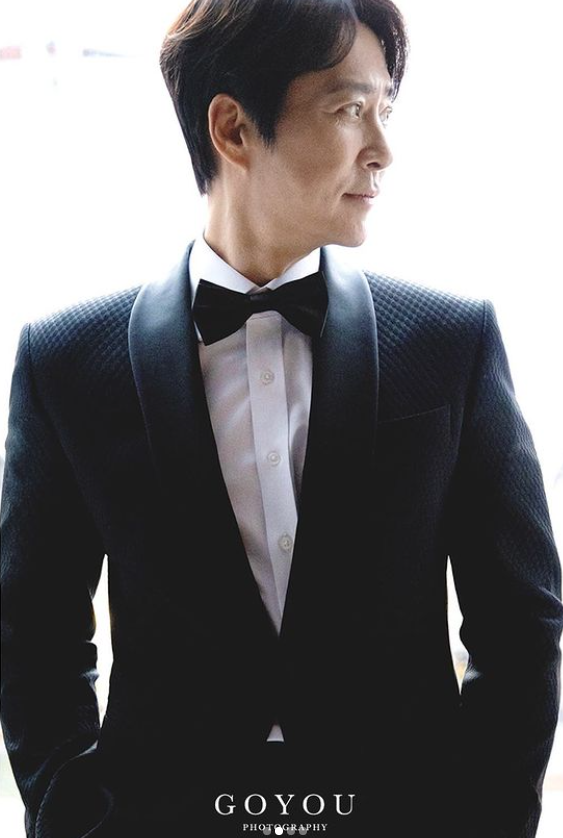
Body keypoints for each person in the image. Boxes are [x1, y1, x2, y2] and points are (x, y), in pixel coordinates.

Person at [1, 1, 562, 836]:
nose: (382, 149)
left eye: (385, 108)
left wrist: (484, 819)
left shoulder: (449, 342)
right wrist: (73, 816)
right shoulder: (69, 361)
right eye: (349, 109)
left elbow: (520, 623)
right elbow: (33, 635)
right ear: (232, 128)